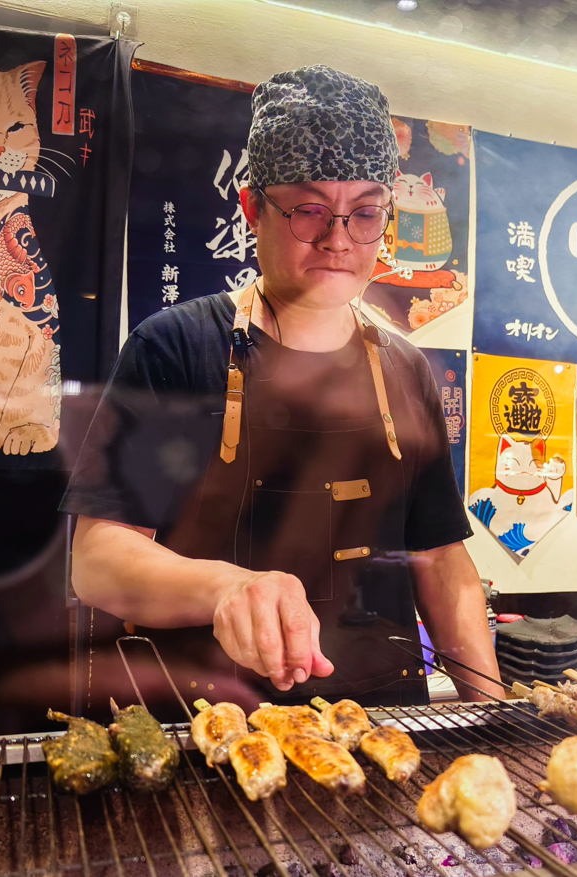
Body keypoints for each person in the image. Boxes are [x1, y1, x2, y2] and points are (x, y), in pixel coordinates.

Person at [62, 65, 501, 708]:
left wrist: (490, 710)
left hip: (382, 725)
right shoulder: (175, 346)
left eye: (366, 214)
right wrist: (224, 589)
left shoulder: (407, 371)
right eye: (309, 211)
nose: (338, 240)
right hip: (209, 723)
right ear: (252, 209)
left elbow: (441, 561)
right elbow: (98, 560)